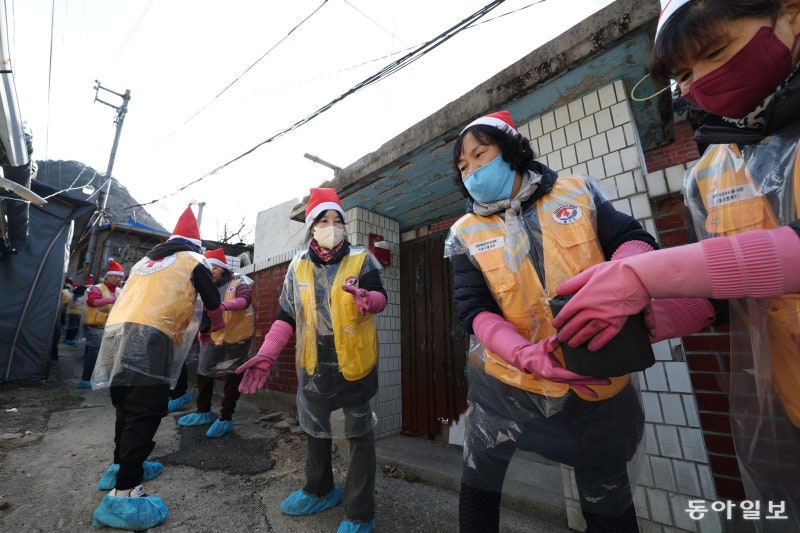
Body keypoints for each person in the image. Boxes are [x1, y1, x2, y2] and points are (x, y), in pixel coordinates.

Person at [551, 1, 800, 530]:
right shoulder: (710, 172)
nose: (701, 81)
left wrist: (643, 273)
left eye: (715, 51)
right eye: (684, 75)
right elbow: (727, 294)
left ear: (791, 15)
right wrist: (657, 317)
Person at [444, 110, 688, 533]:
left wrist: (625, 279)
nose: (471, 171)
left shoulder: (577, 193)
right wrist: (521, 352)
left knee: (606, 496)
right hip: (508, 381)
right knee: (480, 485)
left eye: (479, 155)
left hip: (595, 372)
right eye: (463, 167)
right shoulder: (465, 231)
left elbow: (634, 240)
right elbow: (473, 309)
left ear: (510, 150)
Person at [236, 188, 387, 533]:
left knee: (359, 436)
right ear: (311, 227)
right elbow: (286, 316)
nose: (332, 227)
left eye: (338, 221)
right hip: (314, 363)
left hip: (355, 364)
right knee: (315, 430)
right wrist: (267, 353)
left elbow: (379, 295)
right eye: (323, 220)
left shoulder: (361, 260)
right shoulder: (297, 267)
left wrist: (368, 299)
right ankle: (319, 490)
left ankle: (359, 512)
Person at [89, 204, 225, 530]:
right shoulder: (193, 260)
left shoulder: (144, 262)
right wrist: (211, 325)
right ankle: (125, 494)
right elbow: (213, 301)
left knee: (125, 407)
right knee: (145, 412)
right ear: (196, 246)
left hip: (117, 335)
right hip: (152, 338)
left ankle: (120, 466)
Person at [177, 248, 254, 437]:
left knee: (233, 373)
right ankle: (203, 411)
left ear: (223, 269)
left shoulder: (238, 281)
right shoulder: (203, 285)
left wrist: (220, 306)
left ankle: (226, 417)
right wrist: (202, 330)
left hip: (238, 336)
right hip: (213, 334)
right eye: (207, 267)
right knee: (204, 371)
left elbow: (245, 300)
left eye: (214, 267)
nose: (210, 270)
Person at [75, 258, 124, 389]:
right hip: (94, 325)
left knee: (108, 352)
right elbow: (92, 302)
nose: (117, 279)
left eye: (120, 277)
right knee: (95, 352)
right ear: (107, 276)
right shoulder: (97, 288)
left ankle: (100, 377)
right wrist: (109, 300)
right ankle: (86, 379)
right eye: (115, 276)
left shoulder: (119, 291)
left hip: (110, 326)